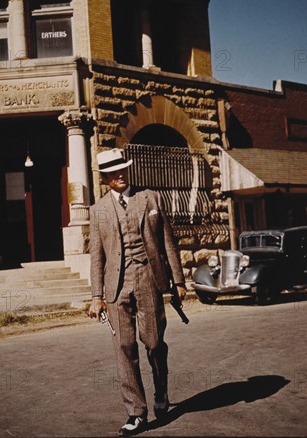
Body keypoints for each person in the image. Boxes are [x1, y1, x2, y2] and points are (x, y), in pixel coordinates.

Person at [88, 148, 187, 436]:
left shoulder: (150, 198)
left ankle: (161, 390)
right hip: (115, 288)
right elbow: (97, 257)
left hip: (148, 279)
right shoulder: (98, 211)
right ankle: (136, 412)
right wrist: (96, 296)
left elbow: (168, 242)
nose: (119, 174)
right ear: (105, 177)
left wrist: (178, 281)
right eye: (113, 171)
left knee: (154, 343)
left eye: (122, 169)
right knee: (124, 349)